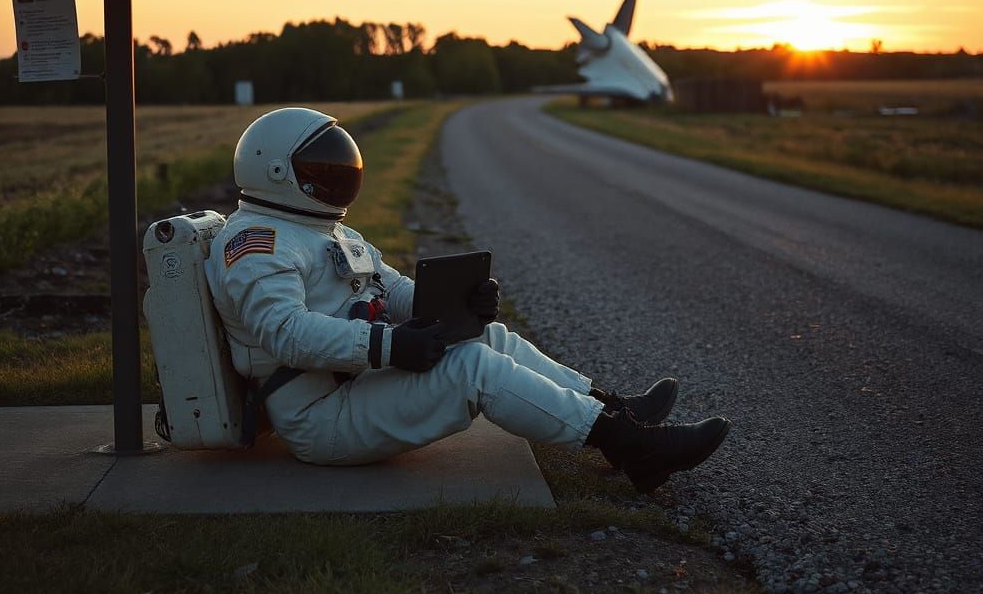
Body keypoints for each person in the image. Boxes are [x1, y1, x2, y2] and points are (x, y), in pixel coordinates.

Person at [205, 108, 730, 493]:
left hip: (355, 385)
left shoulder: (319, 231)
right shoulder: (256, 244)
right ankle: (634, 449)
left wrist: (458, 303)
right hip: (321, 419)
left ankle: (614, 411)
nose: (337, 176)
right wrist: (389, 347)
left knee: (485, 336)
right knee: (473, 367)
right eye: (321, 168)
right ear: (279, 173)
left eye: (338, 166)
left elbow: (390, 291)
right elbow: (287, 334)